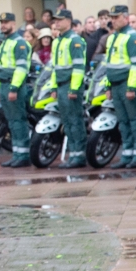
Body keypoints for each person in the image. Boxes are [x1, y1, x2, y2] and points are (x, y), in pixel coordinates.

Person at [105, 5, 136, 168]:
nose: (113, 20)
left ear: (126, 17)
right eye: (112, 17)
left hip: (128, 84)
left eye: (116, 17)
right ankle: (127, 153)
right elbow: (109, 64)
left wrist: (131, 88)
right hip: (116, 85)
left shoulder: (132, 37)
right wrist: (107, 85)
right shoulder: (113, 37)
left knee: (135, 120)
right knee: (123, 122)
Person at [49, 9, 88, 168]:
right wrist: (53, 86)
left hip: (70, 86)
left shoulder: (75, 40)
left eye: (60, 20)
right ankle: (73, 154)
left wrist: (74, 89)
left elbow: (79, 68)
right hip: (61, 85)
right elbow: (55, 67)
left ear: (69, 21)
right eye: (55, 20)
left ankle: (79, 155)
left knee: (75, 121)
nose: (56, 22)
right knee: (67, 121)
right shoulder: (58, 41)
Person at [0, 12, 32, 167]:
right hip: (4, 85)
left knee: (18, 121)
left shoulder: (20, 43)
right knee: (11, 122)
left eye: (6, 22)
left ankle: (23, 156)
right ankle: (16, 154)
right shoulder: (5, 42)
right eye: (2, 22)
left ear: (13, 24)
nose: (3, 25)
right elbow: (1, 68)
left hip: (13, 86)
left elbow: (22, 69)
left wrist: (13, 88)